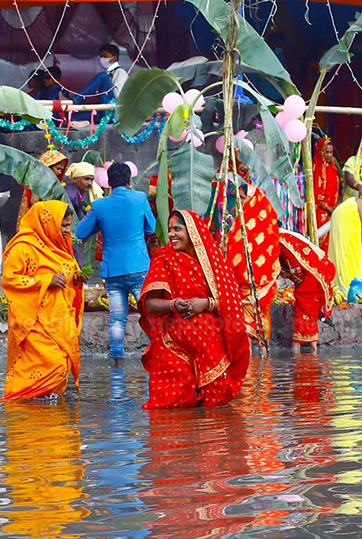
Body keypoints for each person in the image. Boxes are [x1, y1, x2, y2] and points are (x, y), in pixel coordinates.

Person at [139, 210, 249, 409]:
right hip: (173, 348)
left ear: (193, 232)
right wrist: (174, 304)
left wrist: (205, 303)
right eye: (170, 229)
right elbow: (151, 304)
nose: (171, 234)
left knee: (215, 412)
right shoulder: (163, 259)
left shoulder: (214, 262)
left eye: (177, 229)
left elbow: (233, 302)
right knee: (171, 413)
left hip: (212, 350)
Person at [2, 200, 86, 400]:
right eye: (63, 225)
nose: (67, 230)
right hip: (33, 319)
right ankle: (19, 399)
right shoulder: (22, 247)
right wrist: (45, 280)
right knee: (53, 363)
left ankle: (44, 418)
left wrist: (74, 278)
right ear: (47, 222)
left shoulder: (58, 245)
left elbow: (63, 275)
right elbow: (9, 279)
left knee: (62, 362)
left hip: (57, 318)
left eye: (68, 225)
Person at [74, 161, 156, 365]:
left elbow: (80, 232)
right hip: (138, 266)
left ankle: (118, 362)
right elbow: (151, 227)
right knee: (148, 314)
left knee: (117, 318)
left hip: (113, 270)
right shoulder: (140, 198)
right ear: (129, 181)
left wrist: (98, 217)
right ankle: (155, 356)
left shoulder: (100, 205)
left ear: (108, 182)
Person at [224, 168, 280, 349]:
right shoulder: (238, 221)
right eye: (238, 199)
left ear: (252, 199)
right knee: (243, 323)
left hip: (261, 283)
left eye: (243, 198)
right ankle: (247, 361)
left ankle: (264, 358)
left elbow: (269, 251)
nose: (240, 202)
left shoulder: (265, 222)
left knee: (262, 315)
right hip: (240, 283)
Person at [278, 229, 336, 353]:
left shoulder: (281, 241)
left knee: (303, 306)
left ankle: (297, 349)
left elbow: (295, 268)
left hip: (315, 272)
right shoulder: (285, 235)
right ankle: (312, 348)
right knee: (311, 311)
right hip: (321, 269)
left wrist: (292, 277)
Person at [16, 149, 68, 222]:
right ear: (48, 167)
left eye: (61, 170)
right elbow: (34, 201)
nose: (59, 172)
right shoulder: (39, 180)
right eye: (58, 168)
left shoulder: (47, 180)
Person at [312, 137, 340, 228]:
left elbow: (339, 189)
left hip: (334, 211)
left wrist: (337, 206)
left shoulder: (334, 168)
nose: (329, 155)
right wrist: (328, 209)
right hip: (321, 212)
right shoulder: (315, 170)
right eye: (326, 152)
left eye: (331, 152)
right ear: (321, 152)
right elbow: (315, 195)